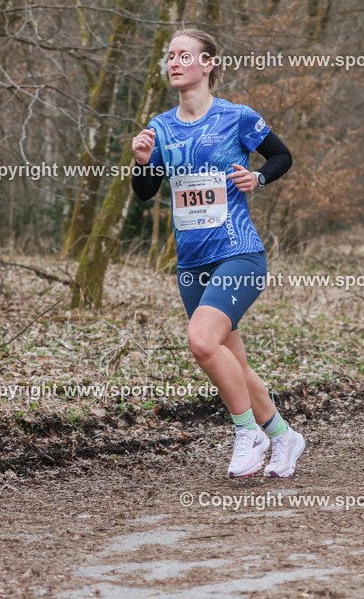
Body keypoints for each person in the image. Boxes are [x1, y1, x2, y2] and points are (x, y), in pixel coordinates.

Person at [131, 29, 303, 478]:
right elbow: (146, 193)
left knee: (202, 342)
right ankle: (285, 436)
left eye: (183, 55)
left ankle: (248, 432)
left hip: (238, 252)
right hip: (191, 262)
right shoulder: (161, 126)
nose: (173, 62)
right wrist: (143, 161)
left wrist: (258, 179)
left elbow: (282, 156)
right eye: (169, 56)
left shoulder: (237, 116)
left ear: (207, 63)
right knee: (234, 364)